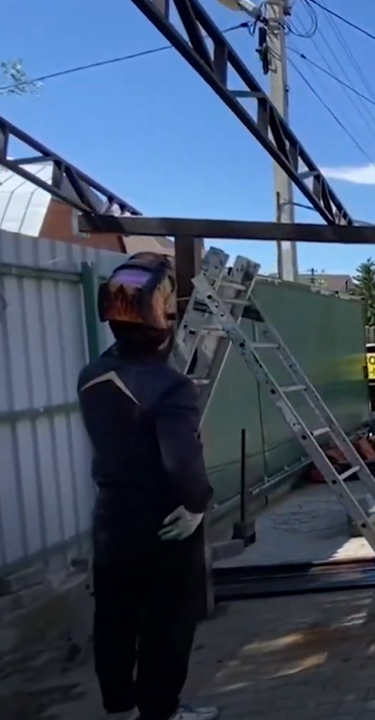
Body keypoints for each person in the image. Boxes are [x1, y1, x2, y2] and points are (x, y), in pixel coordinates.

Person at [78, 253, 218, 720]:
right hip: (164, 523)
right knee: (168, 624)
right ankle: (161, 712)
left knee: (114, 618)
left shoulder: (92, 375)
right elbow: (181, 459)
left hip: (111, 518)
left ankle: (119, 709)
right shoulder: (168, 385)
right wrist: (197, 503)